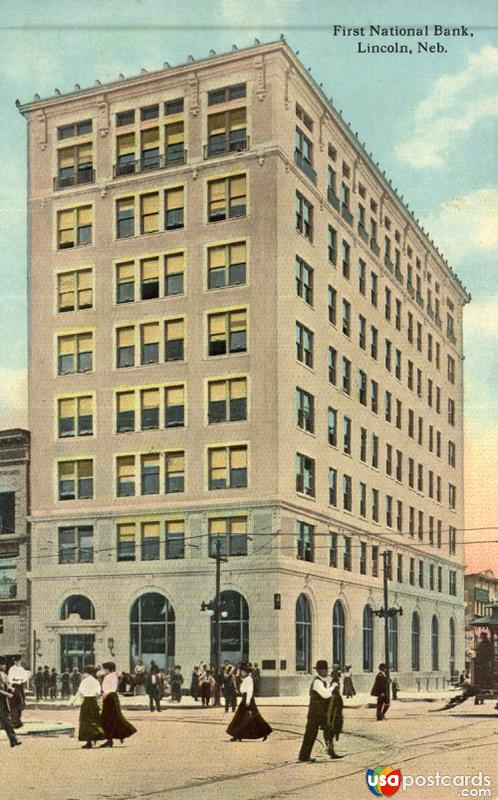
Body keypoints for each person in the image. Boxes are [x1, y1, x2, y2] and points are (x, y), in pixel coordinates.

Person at [298, 659, 335, 762]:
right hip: (315, 713)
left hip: (320, 712)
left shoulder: (321, 681)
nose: (326, 672)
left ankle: (331, 751)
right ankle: (303, 756)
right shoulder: (317, 682)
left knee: (328, 730)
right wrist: (332, 687)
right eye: (325, 670)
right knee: (310, 734)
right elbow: (326, 694)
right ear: (320, 671)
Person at [226, 662, 272, 742]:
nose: (241, 673)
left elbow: (250, 691)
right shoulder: (246, 679)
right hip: (245, 699)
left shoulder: (249, 679)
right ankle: (238, 735)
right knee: (242, 717)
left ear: (246, 672)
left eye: (243, 671)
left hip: (248, 699)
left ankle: (263, 732)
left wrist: (247, 701)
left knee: (249, 717)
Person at [99, 662, 136, 747]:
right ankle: (116, 736)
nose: (104, 670)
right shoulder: (114, 676)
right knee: (115, 717)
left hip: (108, 697)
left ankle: (109, 739)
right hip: (113, 697)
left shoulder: (108, 677)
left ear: (108, 669)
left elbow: (106, 689)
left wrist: (103, 697)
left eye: (105, 668)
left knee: (107, 718)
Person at [69, 664, 105, 748]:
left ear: (87, 673)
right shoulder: (95, 681)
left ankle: (88, 741)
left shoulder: (84, 681)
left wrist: (73, 701)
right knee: (94, 720)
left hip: (86, 702)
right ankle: (95, 738)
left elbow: (80, 692)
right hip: (93, 702)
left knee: (85, 722)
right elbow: (98, 693)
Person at [0, 658, 21, 748]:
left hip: (3, 702)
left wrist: (10, 688)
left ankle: (13, 739)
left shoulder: (4, 675)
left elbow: (7, 685)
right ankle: (13, 739)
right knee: (5, 721)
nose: (4, 666)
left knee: (6, 721)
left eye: (5, 664)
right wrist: (7, 694)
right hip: (2, 699)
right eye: (2, 664)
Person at [324, 678, 344, 758]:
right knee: (330, 734)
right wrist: (330, 721)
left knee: (330, 734)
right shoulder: (333, 696)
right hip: (332, 719)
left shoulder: (332, 694)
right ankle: (330, 750)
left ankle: (330, 749)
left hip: (333, 719)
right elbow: (331, 709)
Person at [7, 655, 28, 727]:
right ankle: (14, 721)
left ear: (20, 661)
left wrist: (20, 680)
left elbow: (25, 679)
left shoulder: (22, 669)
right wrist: (17, 680)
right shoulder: (12, 669)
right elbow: (10, 679)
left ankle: (18, 720)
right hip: (14, 687)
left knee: (20, 705)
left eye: (19, 661)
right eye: (16, 661)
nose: (18, 662)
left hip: (20, 687)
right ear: (14, 661)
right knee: (14, 705)